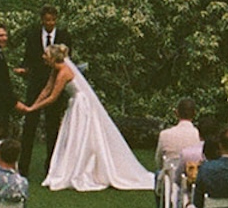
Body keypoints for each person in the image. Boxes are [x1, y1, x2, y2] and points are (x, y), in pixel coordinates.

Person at [17, 44, 152, 191]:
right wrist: (31, 107)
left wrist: (32, 109)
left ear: (53, 58)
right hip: (74, 103)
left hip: (81, 104)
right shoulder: (55, 70)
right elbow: (46, 90)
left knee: (81, 137)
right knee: (73, 137)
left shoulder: (63, 72)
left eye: (46, 55)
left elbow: (52, 98)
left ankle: (82, 170)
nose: (43, 57)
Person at [18, 6, 72, 179]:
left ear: (56, 19)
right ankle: (23, 167)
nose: (50, 23)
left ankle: (51, 166)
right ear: (42, 19)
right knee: (29, 127)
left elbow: (67, 62)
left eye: (52, 20)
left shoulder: (65, 36)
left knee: (52, 127)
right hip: (36, 85)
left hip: (58, 83)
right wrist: (25, 70)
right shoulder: (33, 35)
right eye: (47, 20)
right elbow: (28, 59)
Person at [155, 98, 200, 171]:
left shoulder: (164, 134)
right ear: (194, 114)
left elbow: (158, 161)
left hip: (169, 176)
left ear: (176, 113)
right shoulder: (198, 135)